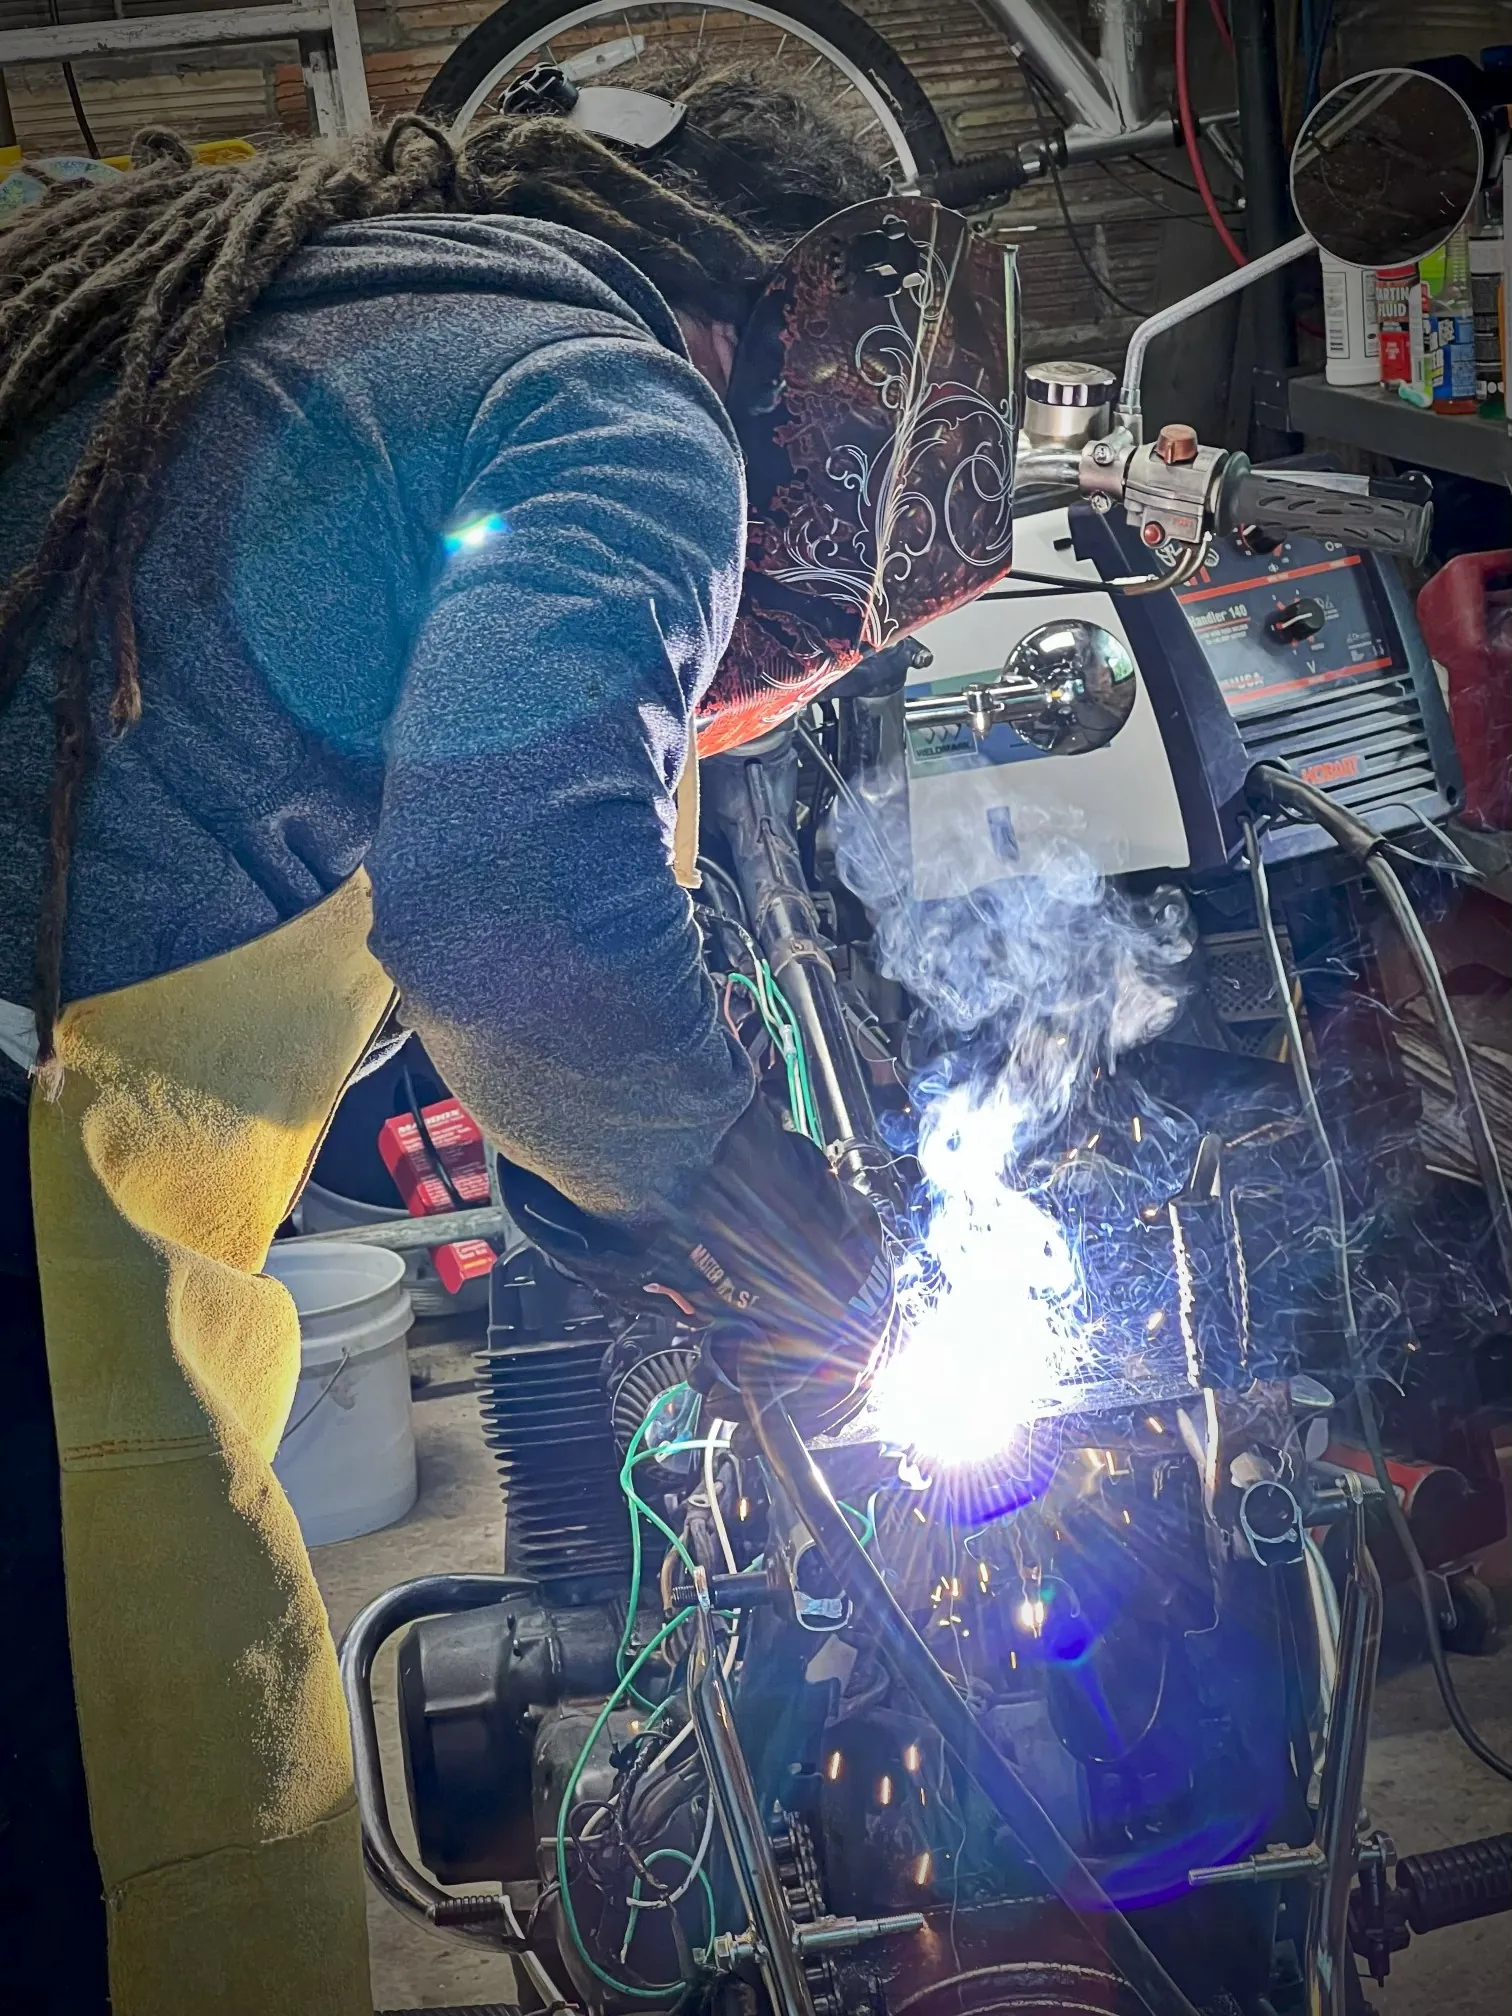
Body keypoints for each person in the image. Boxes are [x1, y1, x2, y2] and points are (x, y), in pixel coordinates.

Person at [0, 67, 896, 2016]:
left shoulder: (367, 314)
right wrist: (749, 1202)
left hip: (53, 1092)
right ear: (752, 319)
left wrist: (612, 1199)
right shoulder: (631, 407)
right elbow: (503, 887)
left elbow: (452, 841)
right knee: (102, 1819)